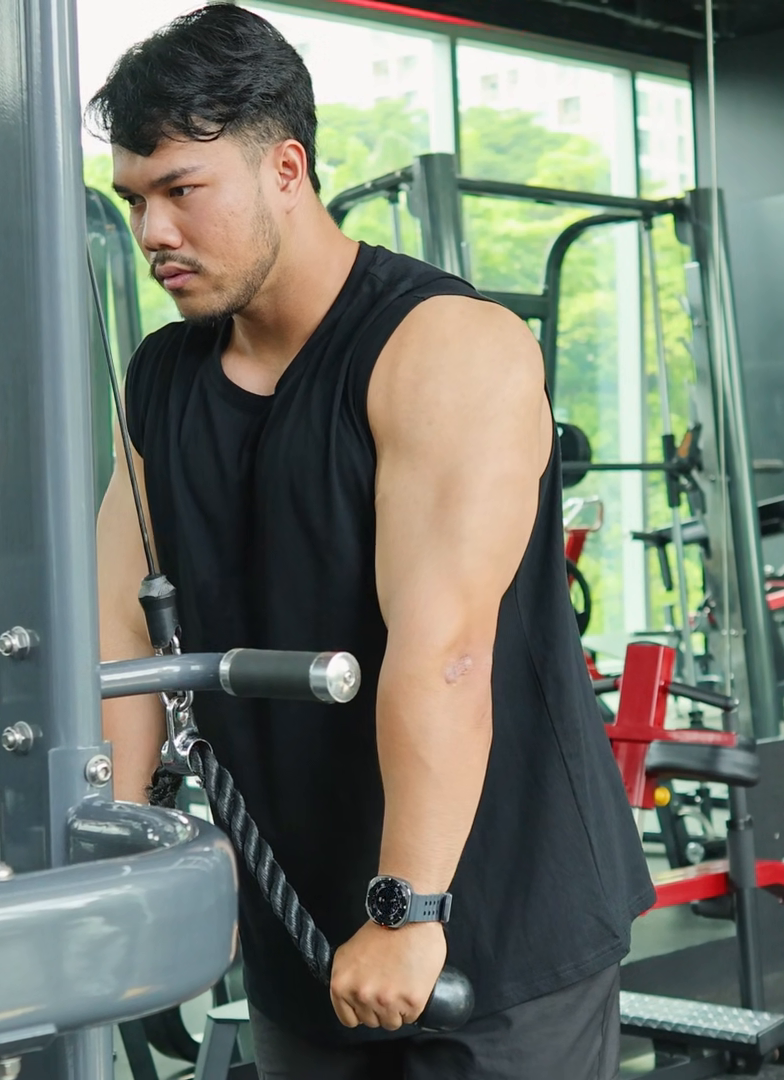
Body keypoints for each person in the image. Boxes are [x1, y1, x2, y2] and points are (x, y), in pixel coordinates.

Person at [88, 7, 654, 1078]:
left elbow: (446, 652)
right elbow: (125, 634)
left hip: (486, 925)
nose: (153, 231)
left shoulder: (443, 347)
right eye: (134, 201)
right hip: (298, 924)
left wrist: (408, 906)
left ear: (286, 170)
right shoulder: (162, 378)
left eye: (181, 190)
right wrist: (118, 853)